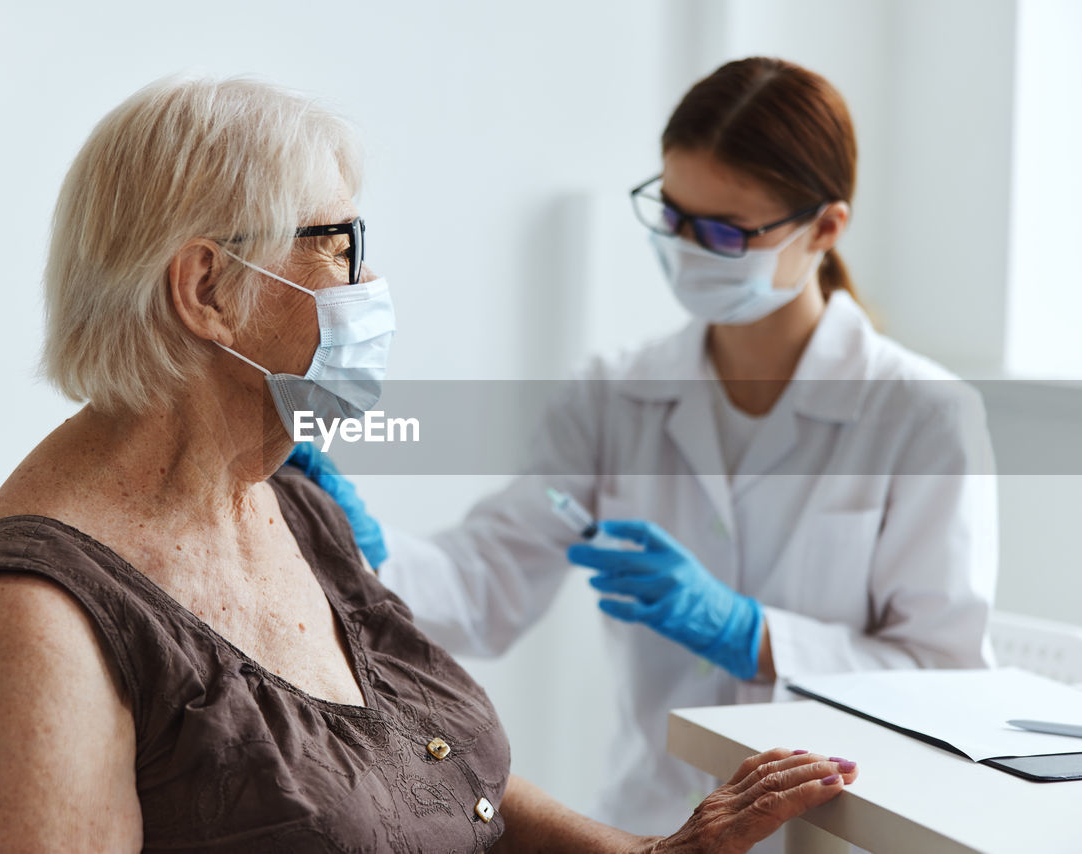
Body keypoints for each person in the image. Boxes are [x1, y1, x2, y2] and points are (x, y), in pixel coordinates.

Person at [0, 75, 860, 853]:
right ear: (207, 289)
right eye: (342, 245)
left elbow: (427, 779)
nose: (372, 289)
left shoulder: (287, 509)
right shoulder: (36, 622)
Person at [294, 56, 994, 843]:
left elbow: (946, 681)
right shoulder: (617, 395)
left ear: (826, 228)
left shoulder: (922, 415)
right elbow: (486, 587)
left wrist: (753, 636)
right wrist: (358, 545)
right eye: (674, 215)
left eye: (726, 232)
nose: (689, 248)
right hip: (651, 820)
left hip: (841, 830)